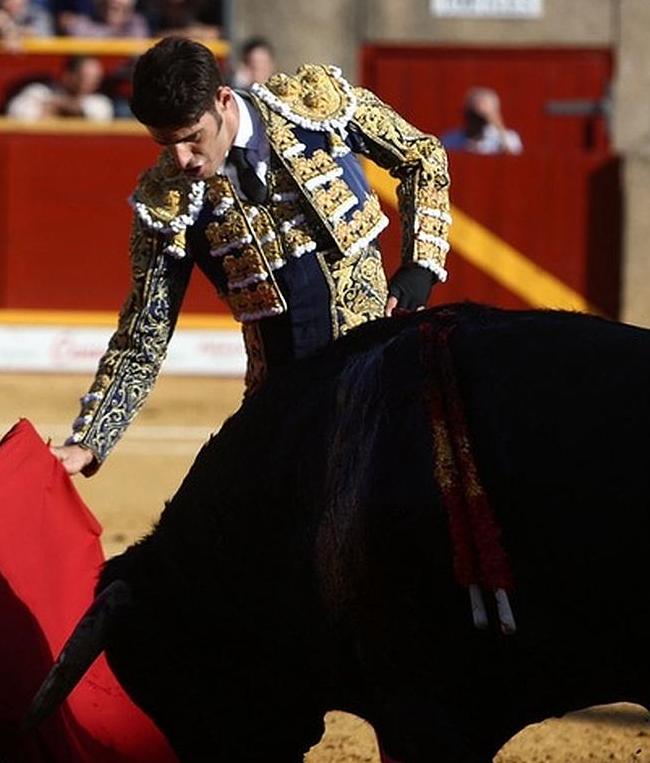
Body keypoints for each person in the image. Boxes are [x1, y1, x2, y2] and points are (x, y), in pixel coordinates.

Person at [51, 37, 451, 477]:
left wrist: (420, 264)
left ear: (222, 100)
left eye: (192, 138)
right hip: (279, 405)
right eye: (166, 143)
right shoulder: (166, 203)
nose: (182, 159)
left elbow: (422, 156)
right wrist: (89, 441)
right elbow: (144, 332)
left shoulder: (313, 106)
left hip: (375, 375)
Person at [6, 54, 114, 121]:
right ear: (68, 76)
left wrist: (59, 105)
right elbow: (16, 113)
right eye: (85, 76)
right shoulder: (40, 91)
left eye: (96, 78)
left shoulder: (100, 102)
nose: (92, 82)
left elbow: (99, 118)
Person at [441, 87, 523, 155]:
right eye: (473, 114)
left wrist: (499, 129)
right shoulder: (451, 139)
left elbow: (514, 159)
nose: (478, 119)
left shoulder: (509, 137)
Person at [60, 0, 150, 37]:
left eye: (118, 7)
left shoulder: (136, 23)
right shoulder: (87, 22)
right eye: (106, 4)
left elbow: (137, 40)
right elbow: (73, 27)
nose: (111, 9)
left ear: (130, 8)